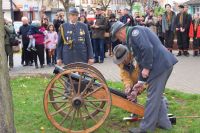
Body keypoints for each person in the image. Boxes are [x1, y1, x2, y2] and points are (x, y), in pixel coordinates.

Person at [111, 21, 178, 133]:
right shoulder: (131, 37)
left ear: (120, 31)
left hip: (159, 66)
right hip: (160, 66)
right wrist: (140, 82)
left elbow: (147, 48)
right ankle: (164, 124)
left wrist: (146, 68)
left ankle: (145, 128)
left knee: (152, 98)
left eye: (117, 36)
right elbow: (142, 60)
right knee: (157, 97)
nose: (119, 39)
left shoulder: (134, 32)